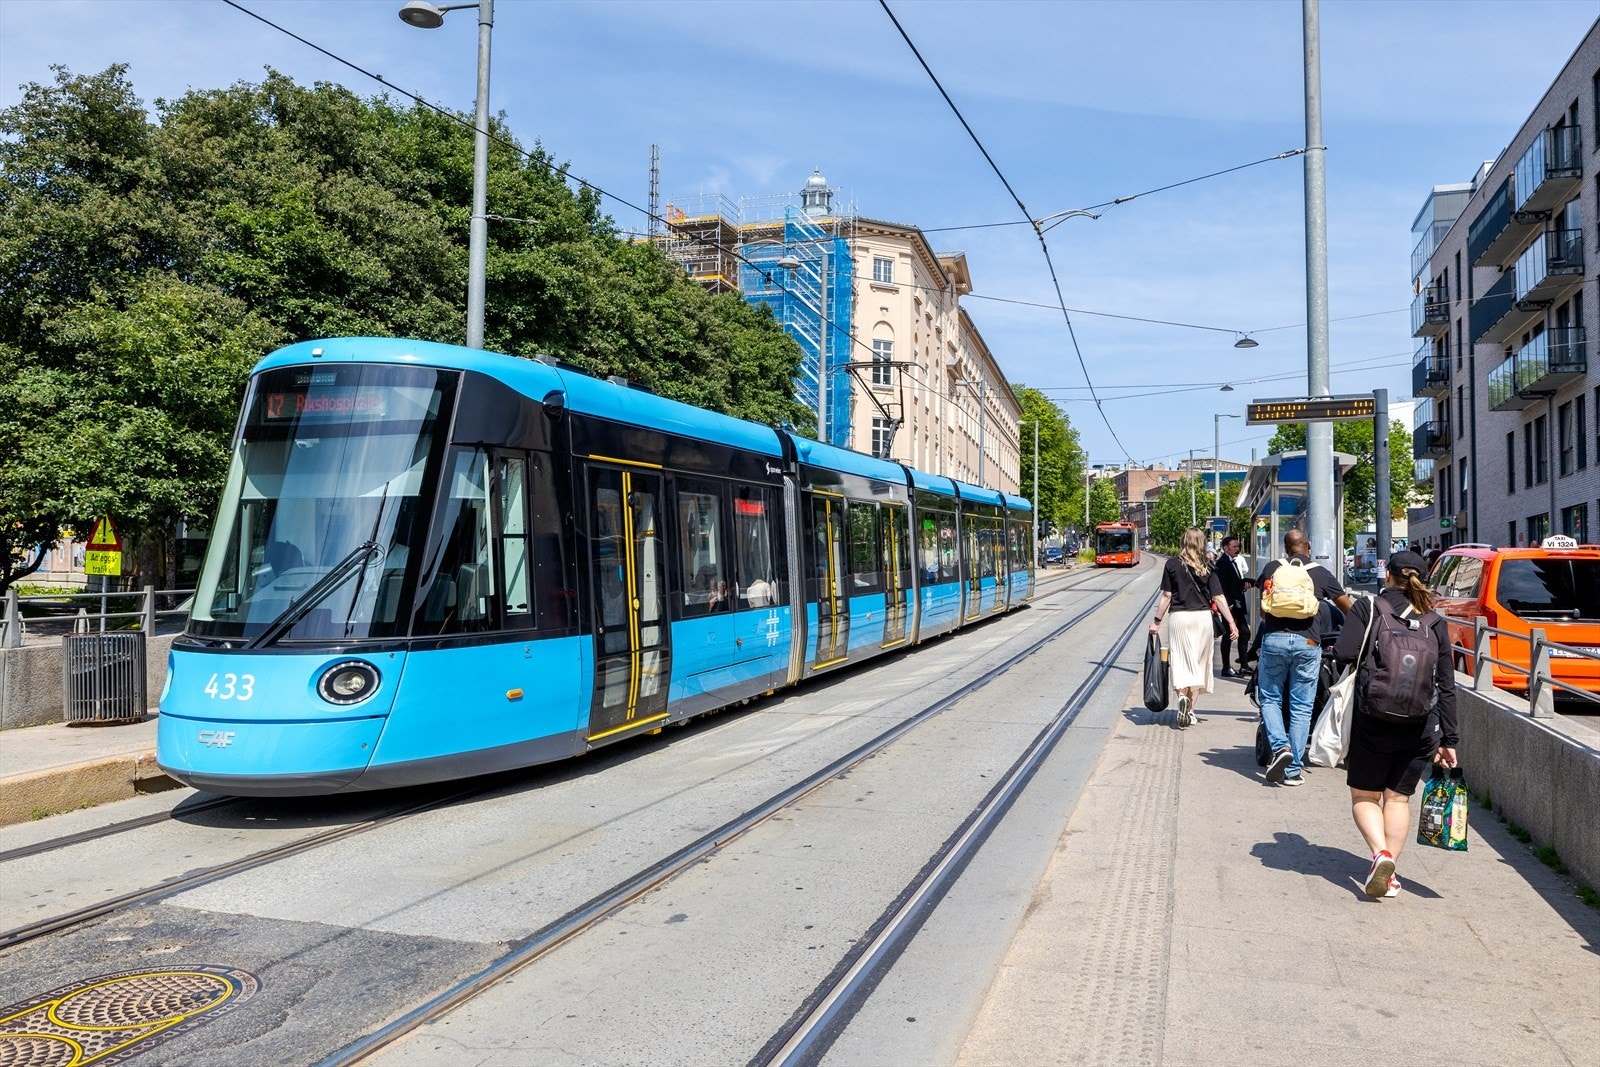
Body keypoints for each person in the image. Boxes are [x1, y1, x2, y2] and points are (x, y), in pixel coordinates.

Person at [1332, 550, 1458, 898]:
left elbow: (1343, 653)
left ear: (1386, 574)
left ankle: (1380, 854)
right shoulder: (1435, 621)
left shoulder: (1368, 608)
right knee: (1398, 800)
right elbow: (1446, 685)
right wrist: (1450, 738)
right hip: (1420, 724)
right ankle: (1390, 875)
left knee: (1364, 795)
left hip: (1372, 719)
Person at [1255, 529, 1353, 786]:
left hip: (1274, 639)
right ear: (1308, 546)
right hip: (1308, 643)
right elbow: (1348, 609)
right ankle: (1293, 770)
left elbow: (1263, 612)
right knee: (1302, 706)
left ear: (1285, 548)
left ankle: (1280, 747)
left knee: (1270, 698)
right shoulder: (1320, 573)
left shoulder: (1271, 569)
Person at [1149, 526, 1237, 728]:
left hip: (1179, 617)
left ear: (1184, 541)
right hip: (1202, 618)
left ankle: (1181, 697)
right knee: (1199, 663)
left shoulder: (1172, 564)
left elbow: (1167, 596)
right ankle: (1191, 711)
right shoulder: (1208, 565)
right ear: (1202, 543)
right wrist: (1231, 622)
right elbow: (1218, 597)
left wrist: (1156, 621)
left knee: (1180, 660)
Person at [1215, 534, 1254, 677]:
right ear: (1226, 548)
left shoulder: (1232, 561)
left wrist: (1245, 585)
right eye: (1234, 547)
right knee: (1229, 635)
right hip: (1231, 606)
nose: (1237, 549)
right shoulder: (1222, 563)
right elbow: (1222, 587)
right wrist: (1229, 604)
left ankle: (1243, 664)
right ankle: (1226, 667)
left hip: (1237, 604)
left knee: (1244, 633)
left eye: (1238, 546)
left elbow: (1234, 583)